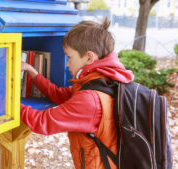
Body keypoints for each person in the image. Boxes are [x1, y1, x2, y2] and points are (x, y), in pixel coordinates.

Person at [20, 18, 134, 169]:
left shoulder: (90, 99)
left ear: (89, 57)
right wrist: (31, 71)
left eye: (69, 57)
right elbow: (59, 95)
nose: (67, 64)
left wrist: (6, 102)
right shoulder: (105, 79)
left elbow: (43, 121)